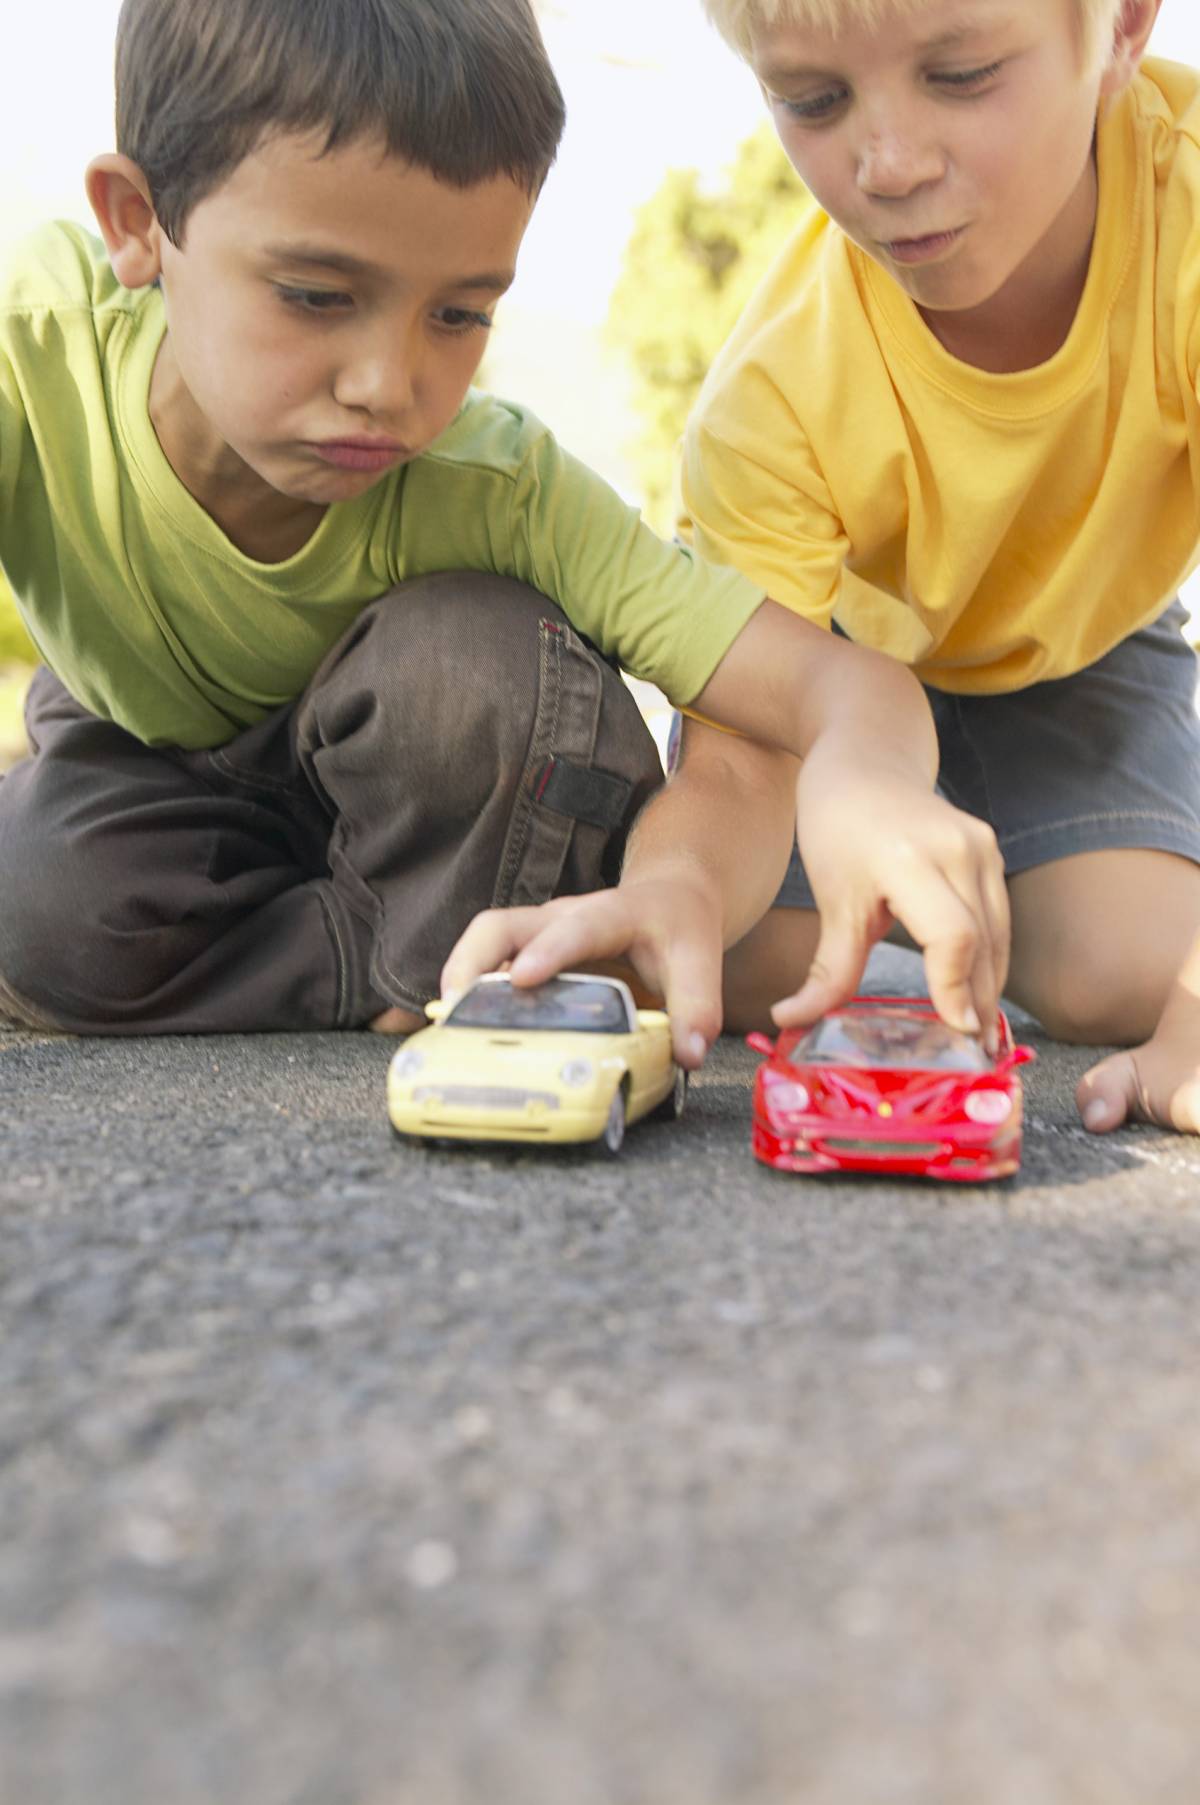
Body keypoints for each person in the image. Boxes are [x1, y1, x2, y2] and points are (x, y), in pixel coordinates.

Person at [0, 0, 1005, 1043]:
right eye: (313, 294)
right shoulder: (35, 358)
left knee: (470, 671)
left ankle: (437, 964)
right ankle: (397, 972)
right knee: (39, 909)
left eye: (459, 314)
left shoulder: (497, 485)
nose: (388, 385)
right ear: (136, 222)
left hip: (449, 798)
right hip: (165, 763)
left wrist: (867, 782)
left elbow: (841, 685)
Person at [448, 0, 1200, 1138]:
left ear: (1125, 25)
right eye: (814, 100)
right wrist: (678, 886)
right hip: (835, 675)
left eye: (960, 75)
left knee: (1129, 971)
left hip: (1079, 651)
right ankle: (909, 880)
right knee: (728, 964)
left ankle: (947, 895)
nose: (889, 165)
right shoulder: (776, 394)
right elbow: (745, 748)